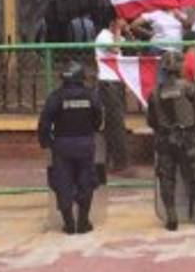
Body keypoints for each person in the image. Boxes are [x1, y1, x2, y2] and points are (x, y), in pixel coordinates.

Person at [147, 52, 195, 231]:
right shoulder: (189, 88)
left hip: (164, 139)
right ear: (179, 68)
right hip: (186, 137)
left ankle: (171, 218)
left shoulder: (155, 92)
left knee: (166, 177)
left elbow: (151, 120)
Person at [37, 62, 104, 234]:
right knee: (86, 181)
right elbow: (98, 118)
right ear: (81, 77)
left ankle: (68, 224)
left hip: (62, 145)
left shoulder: (56, 97)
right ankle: (83, 222)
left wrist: (46, 142)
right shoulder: (91, 96)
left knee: (63, 182)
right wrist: (91, 130)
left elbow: (44, 123)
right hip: (85, 144)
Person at [93, 15, 129, 173]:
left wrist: (125, 31)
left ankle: (111, 161)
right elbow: (114, 49)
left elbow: (129, 46)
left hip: (117, 81)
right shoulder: (103, 37)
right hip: (108, 82)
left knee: (115, 122)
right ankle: (120, 162)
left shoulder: (117, 37)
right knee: (116, 122)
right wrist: (118, 30)